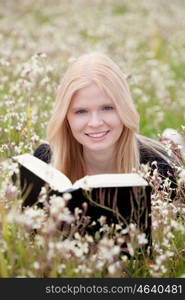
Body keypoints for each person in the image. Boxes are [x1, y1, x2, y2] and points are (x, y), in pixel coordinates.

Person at [20, 52, 183, 207]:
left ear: (124, 109)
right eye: (81, 111)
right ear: (66, 117)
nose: (95, 123)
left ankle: (174, 148)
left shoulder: (161, 169)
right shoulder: (45, 161)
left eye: (107, 108)